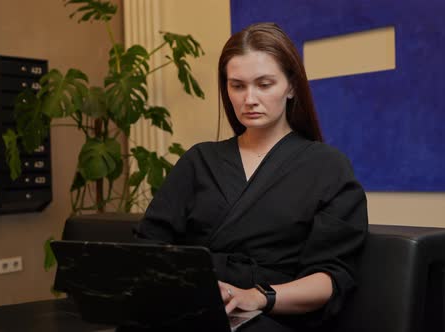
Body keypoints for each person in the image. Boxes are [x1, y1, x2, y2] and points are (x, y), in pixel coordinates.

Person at [137, 22, 368, 331]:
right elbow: (150, 244)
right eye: (237, 85)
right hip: (193, 309)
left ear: (291, 87)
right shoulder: (199, 160)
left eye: (264, 84)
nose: (249, 99)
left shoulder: (328, 166)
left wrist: (256, 297)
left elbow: (331, 277)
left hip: (272, 316)